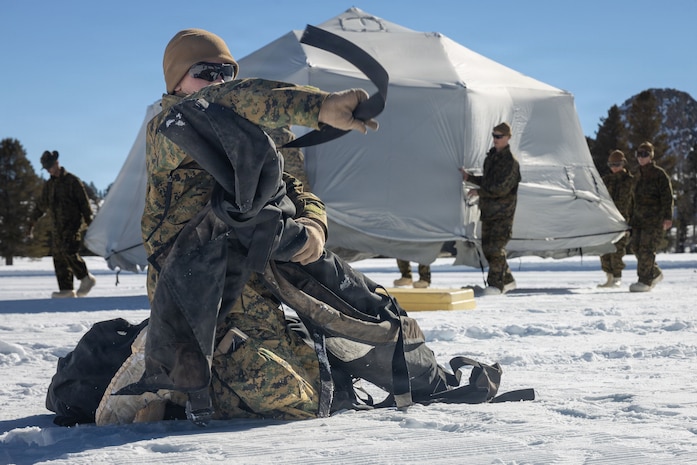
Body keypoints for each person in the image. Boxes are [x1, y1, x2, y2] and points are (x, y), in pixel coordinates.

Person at [124, 28, 378, 423]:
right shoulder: (171, 127)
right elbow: (227, 99)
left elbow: (295, 188)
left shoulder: (255, 140)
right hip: (199, 301)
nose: (218, 81)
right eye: (205, 72)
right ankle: (165, 376)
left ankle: (176, 379)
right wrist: (321, 106)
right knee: (297, 403)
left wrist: (314, 224)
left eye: (226, 71)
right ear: (175, 82)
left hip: (256, 291)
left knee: (330, 388)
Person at [460, 122, 521, 296]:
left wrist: (479, 191)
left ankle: (496, 285)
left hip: (503, 213)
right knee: (488, 248)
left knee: (495, 248)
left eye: (499, 136)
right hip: (489, 211)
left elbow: (501, 188)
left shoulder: (510, 162)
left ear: (508, 138)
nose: (495, 139)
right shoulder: (492, 157)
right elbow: (489, 180)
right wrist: (469, 177)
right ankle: (508, 280)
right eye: (494, 135)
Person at [30, 150, 96, 298]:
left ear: (56, 163)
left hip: (72, 226)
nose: (49, 171)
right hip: (57, 228)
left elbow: (85, 204)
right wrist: (32, 221)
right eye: (46, 169)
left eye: (50, 167)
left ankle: (86, 278)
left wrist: (90, 223)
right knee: (58, 256)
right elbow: (41, 205)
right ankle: (66, 289)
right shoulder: (49, 185)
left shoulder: (72, 181)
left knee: (68, 250)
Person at [628, 141, 673, 292]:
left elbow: (667, 196)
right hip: (638, 219)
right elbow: (632, 199)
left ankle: (645, 281)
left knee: (646, 249)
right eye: (639, 154)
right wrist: (629, 217)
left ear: (651, 156)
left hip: (654, 219)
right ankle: (654, 272)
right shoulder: (637, 175)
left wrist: (668, 216)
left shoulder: (659, 174)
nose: (641, 157)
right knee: (635, 247)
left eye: (645, 154)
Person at [598, 150, 634, 288]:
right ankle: (609, 277)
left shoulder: (630, 181)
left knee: (617, 249)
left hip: (622, 221)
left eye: (617, 164)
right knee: (605, 249)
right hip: (606, 220)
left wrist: (631, 223)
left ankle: (617, 277)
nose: (614, 167)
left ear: (623, 163)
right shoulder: (605, 181)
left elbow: (634, 202)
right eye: (611, 164)